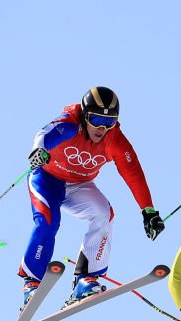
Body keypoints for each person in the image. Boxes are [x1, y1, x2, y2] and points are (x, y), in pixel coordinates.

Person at [19, 86, 164, 308]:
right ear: (86, 115)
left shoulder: (114, 139)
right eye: (96, 120)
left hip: (80, 185)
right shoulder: (71, 124)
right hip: (47, 179)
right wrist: (39, 148)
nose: (102, 128)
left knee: (104, 214)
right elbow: (46, 133)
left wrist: (148, 210)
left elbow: (133, 172)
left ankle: (85, 280)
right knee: (48, 223)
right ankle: (31, 283)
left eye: (110, 122)